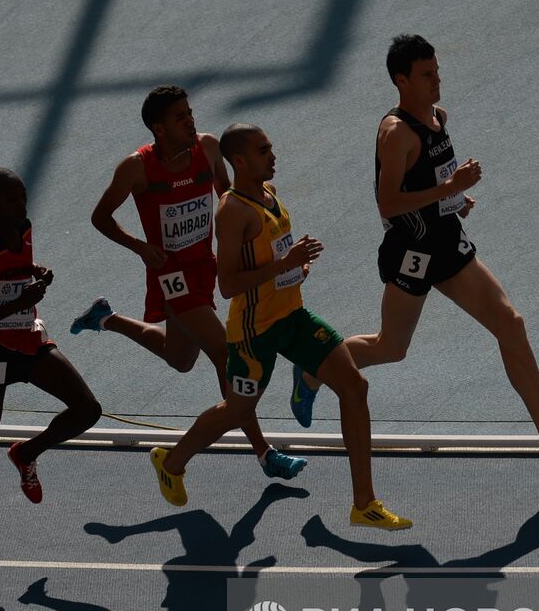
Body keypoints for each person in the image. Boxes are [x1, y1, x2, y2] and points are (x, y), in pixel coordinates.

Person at [292, 34, 539, 464]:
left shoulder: (438, 117)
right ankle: (312, 368)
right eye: (426, 74)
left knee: (510, 323)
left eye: (437, 70)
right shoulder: (396, 132)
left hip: (446, 240)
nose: (437, 80)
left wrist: (454, 199)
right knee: (391, 348)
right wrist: (450, 187)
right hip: (411, 251)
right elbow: (388, 202)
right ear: (401, 81)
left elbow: (432, 180)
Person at [151, 124, 410, 530]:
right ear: (239, 161)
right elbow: (229, 284)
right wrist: (286, 264)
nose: (273, 156)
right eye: (263, 150)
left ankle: (364, 503)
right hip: (254, 334)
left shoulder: (268, 195)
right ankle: (172, 461)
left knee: (355, 386)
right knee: (237, 410)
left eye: (271, 147)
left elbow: (269, 261)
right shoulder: (232, 211)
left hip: (293, 317)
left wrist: (295, 267)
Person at [80, 85, 305, 480]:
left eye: (190, 112)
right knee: (224, 353)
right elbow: (100, 217)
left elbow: (228, 196)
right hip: (171, 276)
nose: (190, 120)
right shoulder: (136, 168)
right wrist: (139, 246)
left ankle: (107, 318)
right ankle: (264, 452)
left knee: (179, 358)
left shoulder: (208, 148)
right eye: (179, 117)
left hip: (206, 266)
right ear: (159, 128)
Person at [0, 167, 102, 557]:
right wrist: (17, 301)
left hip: (28, 339)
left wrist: (35, 271)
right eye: (12, 199)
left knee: (87, 409)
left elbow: (13, 270)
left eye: (23, 195)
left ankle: (27, 452)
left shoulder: (23, 226)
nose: (21, 204)